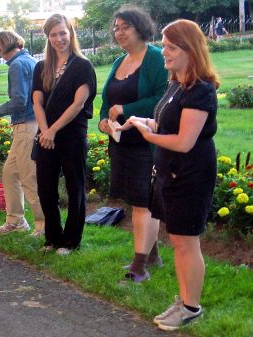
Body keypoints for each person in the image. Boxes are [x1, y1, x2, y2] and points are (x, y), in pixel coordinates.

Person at [118, 19, 219, 330]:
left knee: (188, 243)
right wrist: (144, 121)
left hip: (189, 176)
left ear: (190, 50)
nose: (163, 52)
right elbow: (167, 126)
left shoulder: (200, 91)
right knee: (178, 241)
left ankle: (190, 307)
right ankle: (185, 301)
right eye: (164, 45)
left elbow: (184, 141)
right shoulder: (177, 83)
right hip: (169, 174)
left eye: (171, 47)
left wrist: (149, 137)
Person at [98, 5, 168, 282]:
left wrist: (127, 109)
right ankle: (153, 256)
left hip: (146, 144)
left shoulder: (154, 58)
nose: (119, 32)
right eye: (116, 27)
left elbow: (164, 98)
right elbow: (107, 101)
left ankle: (139, 267)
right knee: (136, 202)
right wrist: (104, 121)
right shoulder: (119, 61)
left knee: (143, 204)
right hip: (121, 143)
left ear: (140, 28)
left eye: (125, 27)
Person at [32, 14, 97, 255]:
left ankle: (71, 241)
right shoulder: (42, 67)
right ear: (47, 38)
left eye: (63, 33)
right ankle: (52, 237)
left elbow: (78, 104)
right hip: (45, 135)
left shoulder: (83, 66)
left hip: (71, 135)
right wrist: (45, 131)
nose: (59, 39)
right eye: (53, 34)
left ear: (71, 33)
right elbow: (37, 102)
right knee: (45, 187)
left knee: (75, 186)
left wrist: (53, 130)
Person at [0, 31, 45, 237]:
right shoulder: (29, 60)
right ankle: (15, 220)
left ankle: (43, 225)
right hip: (29, 124)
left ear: (3, 45)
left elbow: (19, 100)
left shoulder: (16, 65)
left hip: (26, 125)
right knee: (9, 173)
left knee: (28, 178)